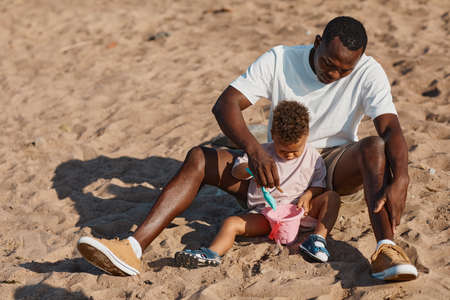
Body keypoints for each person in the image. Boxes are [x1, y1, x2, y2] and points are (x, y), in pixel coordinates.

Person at [77, 16, 418, 281]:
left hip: (328, 169)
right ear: (317, 43)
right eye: (329, 63)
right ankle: (134, 247)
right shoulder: (281, 59)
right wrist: (255, 151)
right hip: (271, 165)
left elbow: (391, 129)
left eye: (345, 70)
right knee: (199, 157)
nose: (334, 74)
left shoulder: (368, 72)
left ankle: (385, 248)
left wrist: (400, 175)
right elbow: (225, 104)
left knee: (374, 145)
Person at [174, 101, 341, 267]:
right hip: (266, 215)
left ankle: (318, 240)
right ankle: (212, 253)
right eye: (283, 151)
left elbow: (319, 184)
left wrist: (309, 194)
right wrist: (252, 170)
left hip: (299, 212)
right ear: (273, 135)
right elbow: (237, 171)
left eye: (295, 151)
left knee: (331, 197)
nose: (289, 155)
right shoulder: (261, 153)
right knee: (231, 223)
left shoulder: (312, 157)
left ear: (306, 136)